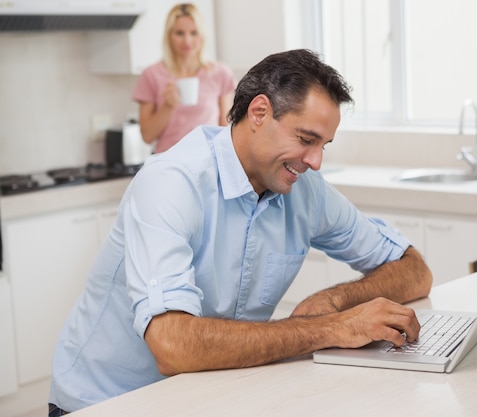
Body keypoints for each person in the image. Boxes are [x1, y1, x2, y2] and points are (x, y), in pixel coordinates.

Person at [48, 49, 433, 415]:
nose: (315, 161)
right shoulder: (173, 183)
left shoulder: (304, 190)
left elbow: (415, 269)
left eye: (323, 146)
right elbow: (172, 345)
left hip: (208, 396)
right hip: (107, 404)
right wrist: (330, 327)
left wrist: (333, 301)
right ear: (259, 112)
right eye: (306, 139)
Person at [132, 3, 237, 153]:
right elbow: (147, 136)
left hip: (209, 162)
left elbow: (226, 130)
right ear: (169, 36)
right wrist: (168, 106)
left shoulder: (220, 73)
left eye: (194, 33)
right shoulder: (151, 75)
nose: (187, 41)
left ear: (202, 35)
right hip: (167, 162)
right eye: (179, 33)